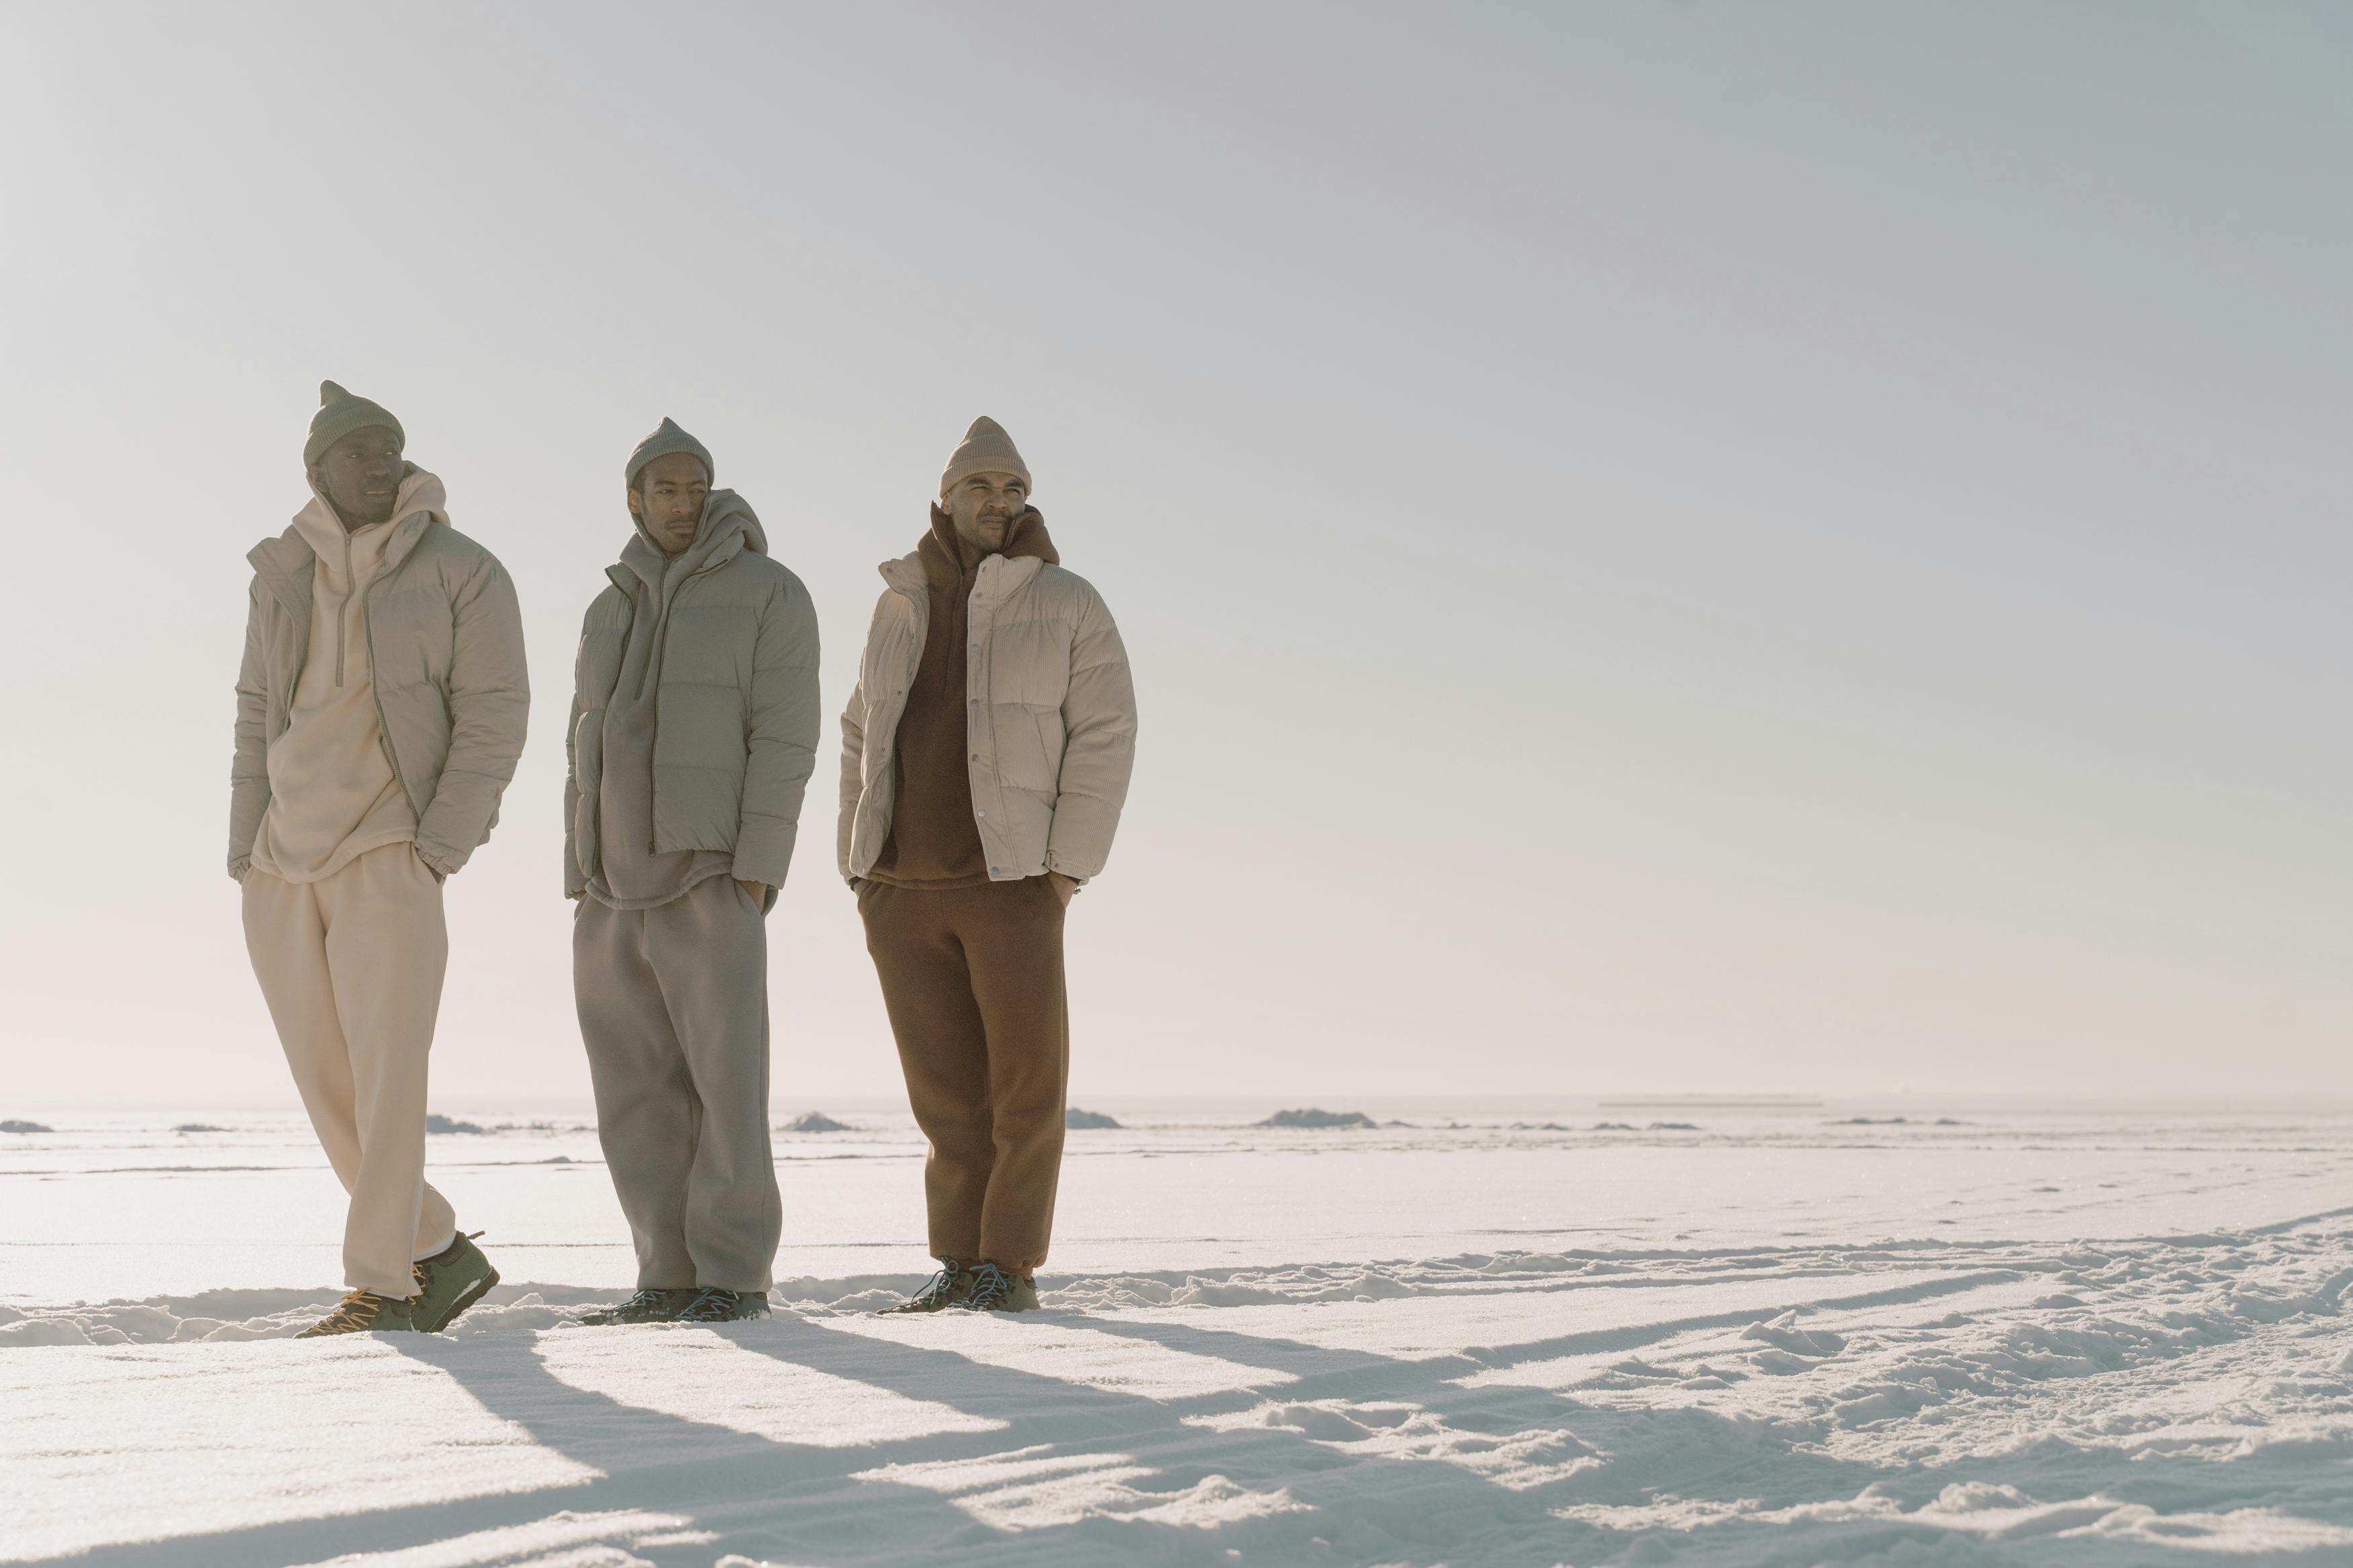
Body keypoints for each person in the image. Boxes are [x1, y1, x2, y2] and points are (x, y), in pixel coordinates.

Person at [230, 381, 528, 1336]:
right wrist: (245, 844)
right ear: (318, 469)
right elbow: (251, 706)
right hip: (282, 857)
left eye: (391, 444)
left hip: (388, 846)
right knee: (328, 1082)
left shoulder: (463, 569)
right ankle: (436, 1245)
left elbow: (496, 712)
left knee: (390, 1074)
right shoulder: (280, 571)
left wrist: (440, 842)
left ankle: (387, 1285)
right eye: (359, 449)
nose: (379, 459)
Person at [841, 417, 1137, 1314]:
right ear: (946, 497)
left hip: (1013, 883)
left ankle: (1008, 1265)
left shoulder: (1068, 600)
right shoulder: (899, 601)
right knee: (944, 1098)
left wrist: (1064, 870)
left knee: (1024, 1087)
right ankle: (960, 1261)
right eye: (983, 488)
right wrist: (857, 863)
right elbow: (858, 727)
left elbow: (1106, 734)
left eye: (1014, 490)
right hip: (900, 887)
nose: (1000, 504)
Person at [566, 419, 822, 1325]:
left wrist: (756, 868)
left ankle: (733, 1277)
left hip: (710, 874)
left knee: (727, 1088)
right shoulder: (610, 604)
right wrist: (579, 865)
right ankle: (664, 1275)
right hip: (609, 887)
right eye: (664, 487)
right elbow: (584, 740)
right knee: (633, 1096)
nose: (681, 501)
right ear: (633, 496)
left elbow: (786, 738)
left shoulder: (770, 592)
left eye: (695, 486)